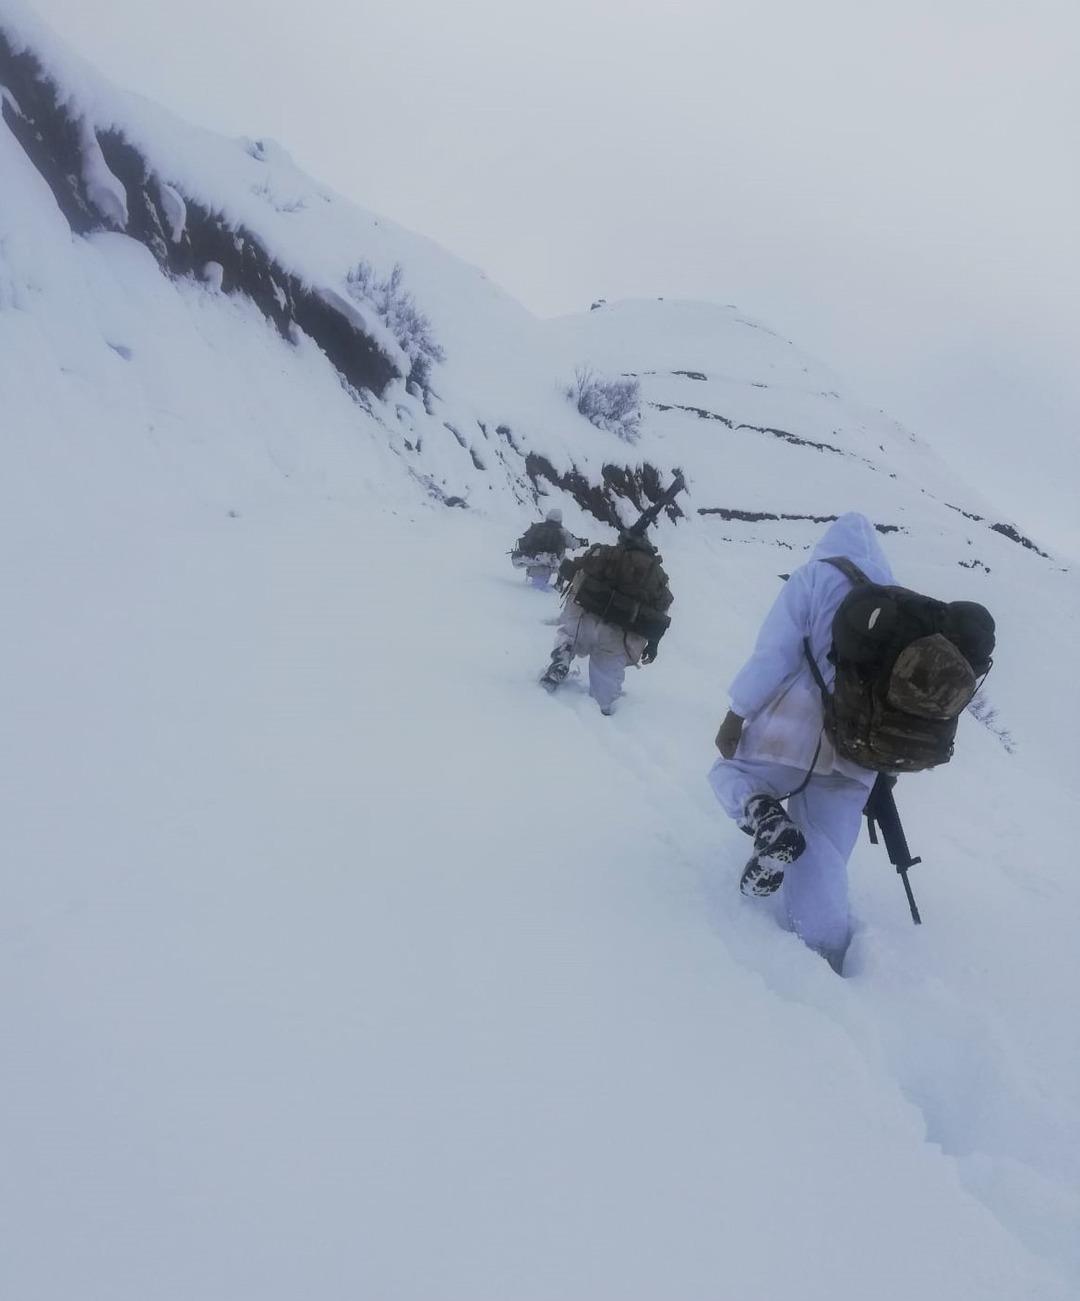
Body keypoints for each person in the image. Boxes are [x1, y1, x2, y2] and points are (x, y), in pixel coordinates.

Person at [707, 513, 894, 973]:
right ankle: (824, 956)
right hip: (862, 746)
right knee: (825, 848)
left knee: (730, 773)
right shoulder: (898, 601)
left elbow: (774, 653)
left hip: (795, 730)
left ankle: (766, 817)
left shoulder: (815, 578)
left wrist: (737, 713)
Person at [539, 530, 673, 715]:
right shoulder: (657, 575)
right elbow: (660, 614)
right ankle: (604, 710)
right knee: (606, 684)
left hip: (584, 619)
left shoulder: (606, 553)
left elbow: (575, 570)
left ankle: (563, 655)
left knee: (569, 636)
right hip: (620, 636)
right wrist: (653, 644)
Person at [511, 509, 587, 590]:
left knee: (534, 587)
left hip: (533, 557)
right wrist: (582, 542)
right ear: (560, 520)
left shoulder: (537, 526)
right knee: (566, 565)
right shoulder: (563, 531)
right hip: (552, 560)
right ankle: (558, 586)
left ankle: (530, 584)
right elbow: (573, 544)